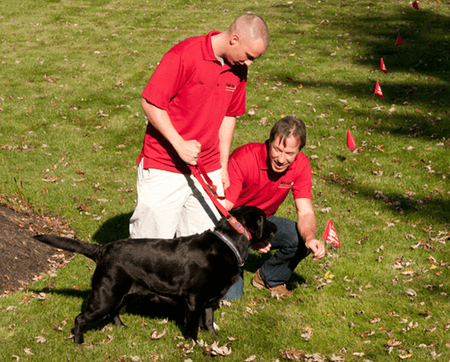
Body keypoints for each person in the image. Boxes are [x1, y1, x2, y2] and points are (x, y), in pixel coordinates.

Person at [129, 14, 269, 239]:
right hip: (164, 165)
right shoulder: (184, 55)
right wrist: (179, 144)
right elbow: (151, 102)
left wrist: (222, 165)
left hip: (208, 169)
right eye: (249, 56)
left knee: (200, 248)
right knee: (152, 247)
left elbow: (229, 115)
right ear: (234, 39)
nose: (250, 63)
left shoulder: (238, 68)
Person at [224, 116, 326, 298]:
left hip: (264, 221)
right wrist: (252, 236)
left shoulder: (302, 165)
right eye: (277, 150)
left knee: (301, 238)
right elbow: (224, 210)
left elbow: (306, 212)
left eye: (289, 154)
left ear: (299, 151)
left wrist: (310, 239)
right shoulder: (244, 157)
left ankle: (269, 278)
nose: (281, 159)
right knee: (230, 296)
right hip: (233, 226)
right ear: (269, 142)